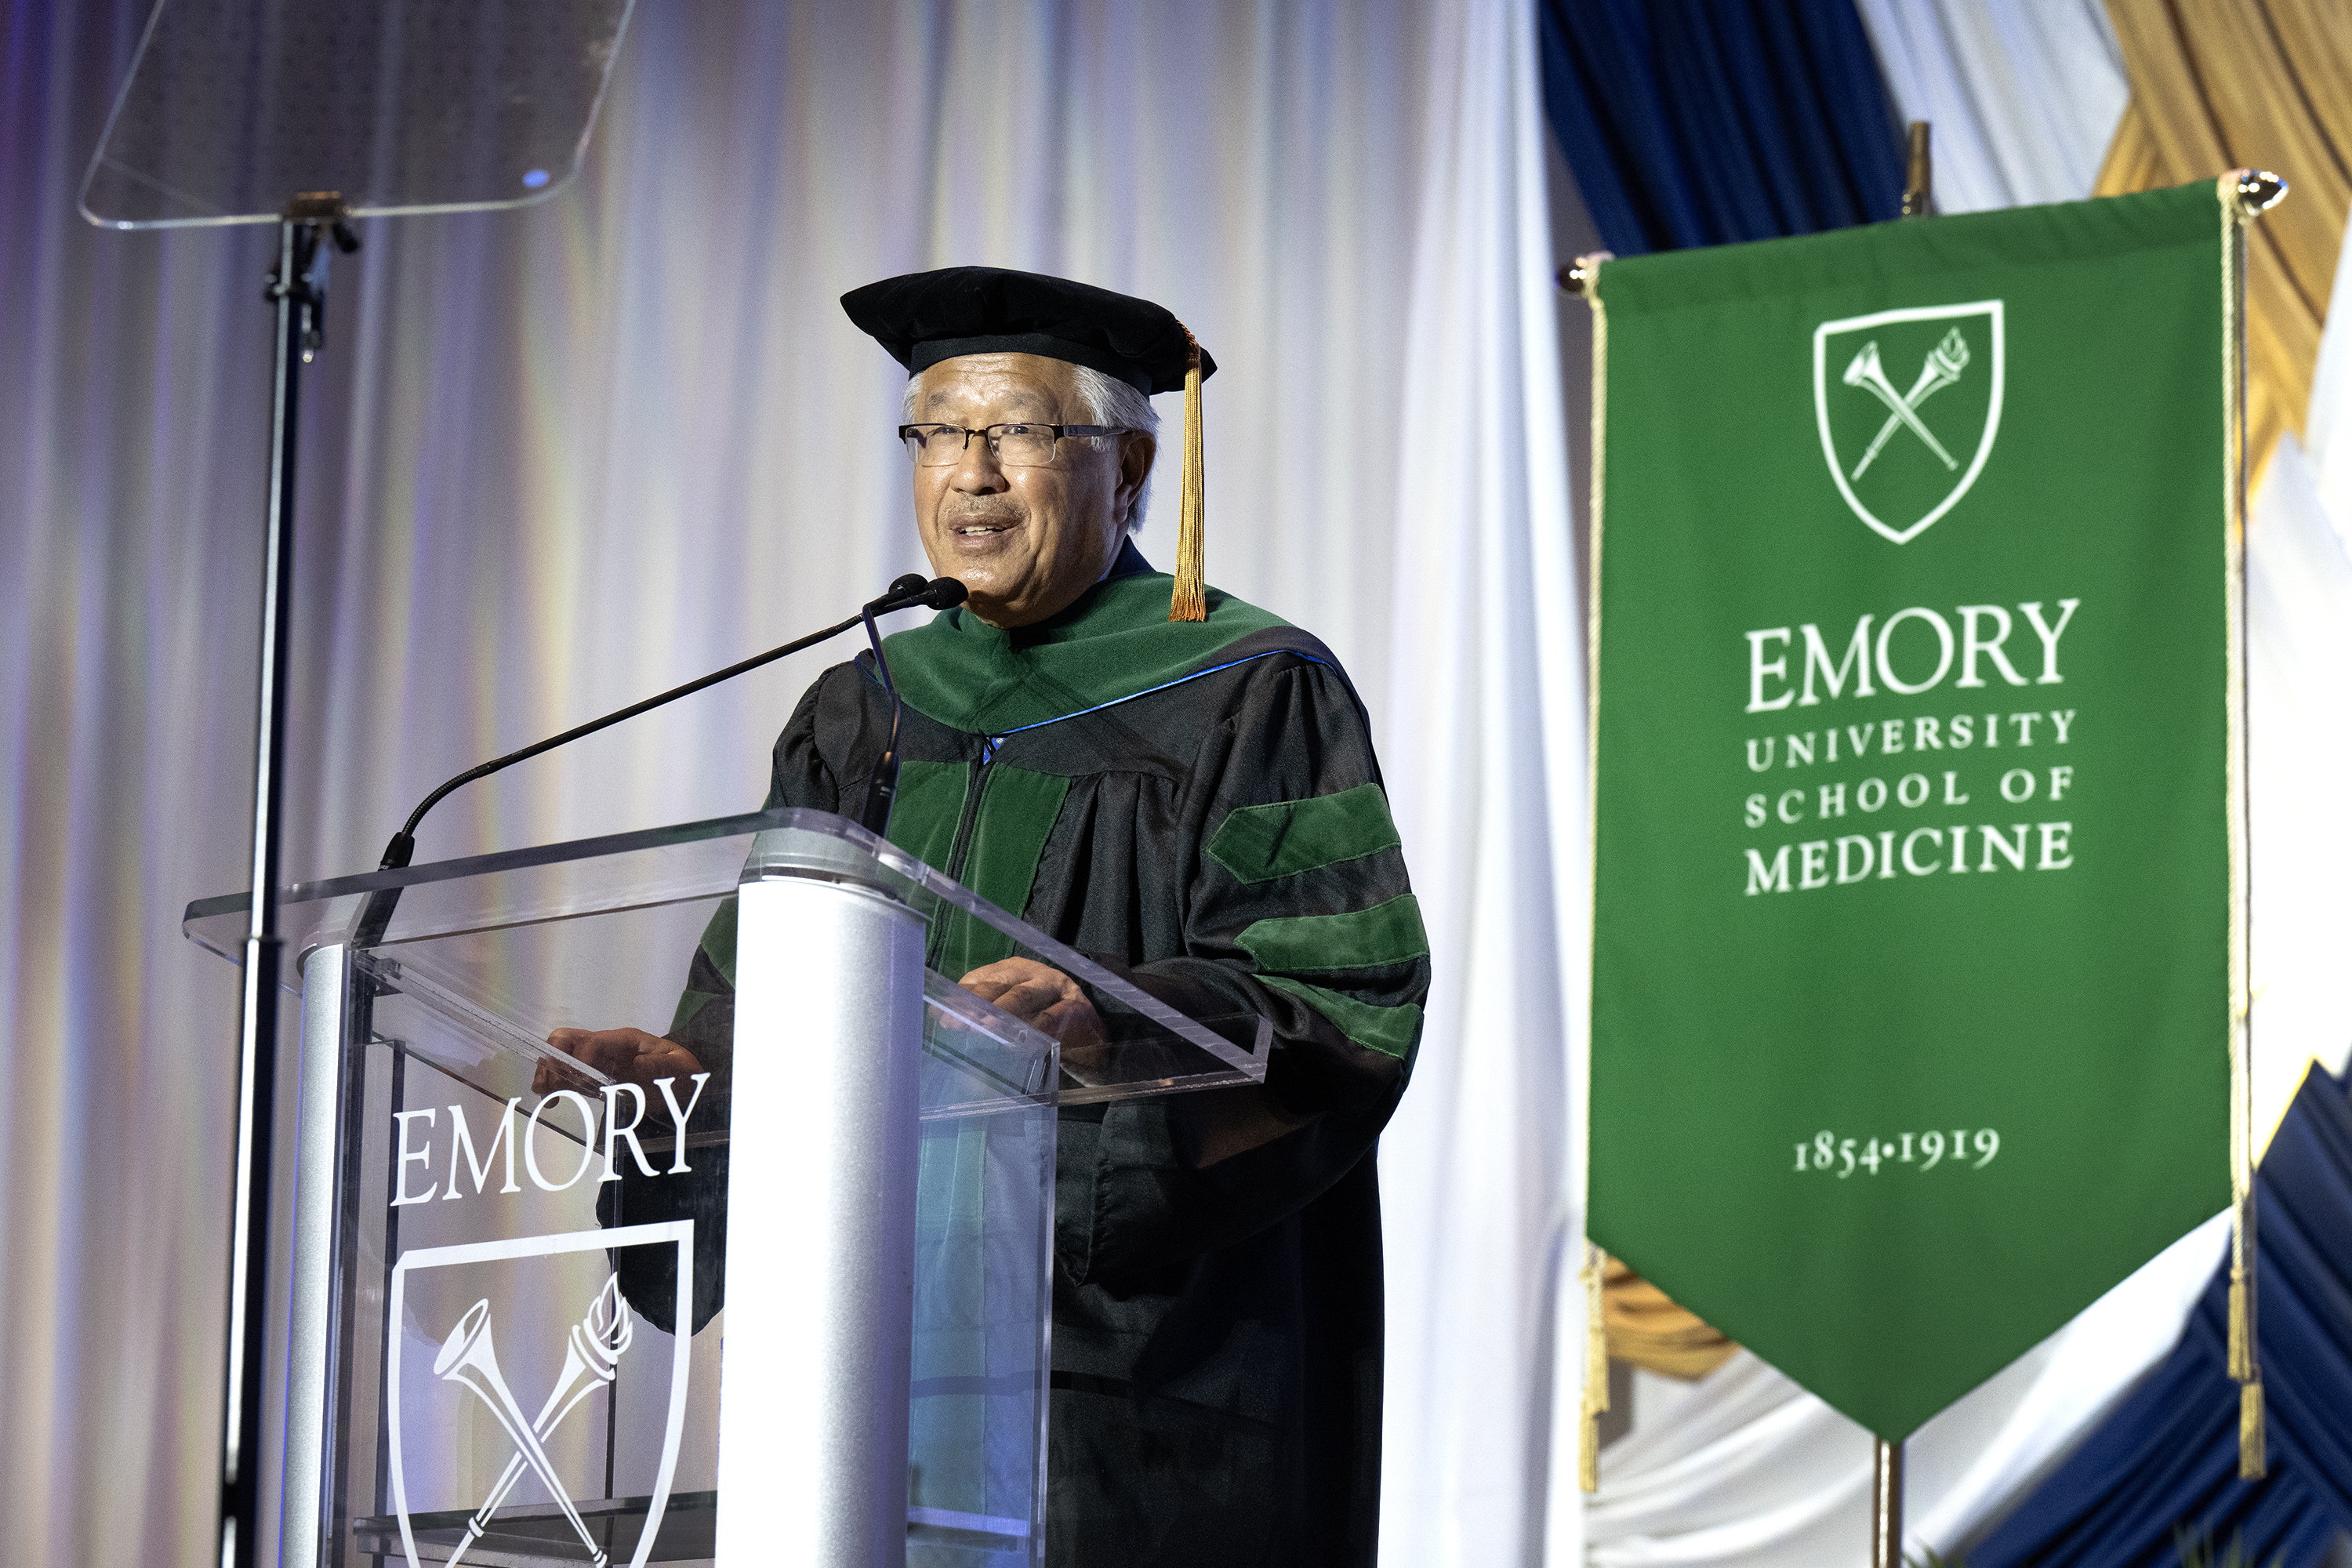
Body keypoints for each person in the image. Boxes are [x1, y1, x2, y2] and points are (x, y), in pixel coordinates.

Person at [544, 266, 1426, 1566]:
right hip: (856, 1390)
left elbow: (1345, 1007)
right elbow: (753, 1012)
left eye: (1017, 432)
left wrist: (1116, 1028)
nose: (970, 475)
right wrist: (678, 1093)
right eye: (937, 433)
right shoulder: (861, 714)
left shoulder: (1251, 694)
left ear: (1128, 466)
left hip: (1129, 1394)